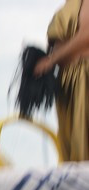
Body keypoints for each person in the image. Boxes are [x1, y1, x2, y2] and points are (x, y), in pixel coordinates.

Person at [35, 0, 89, 161]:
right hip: (69, 83)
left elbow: (86, 36)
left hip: (83, 81)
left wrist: (51, 60)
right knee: (74, 156)